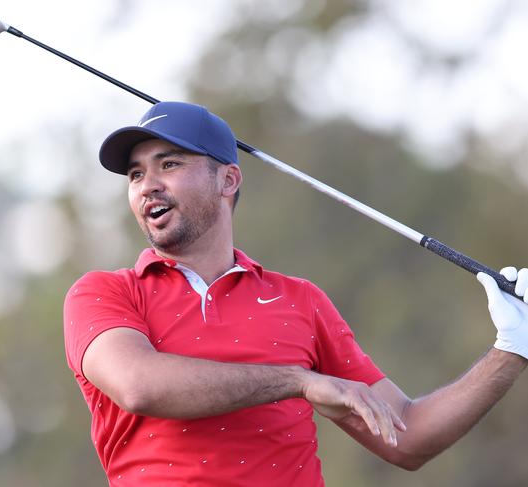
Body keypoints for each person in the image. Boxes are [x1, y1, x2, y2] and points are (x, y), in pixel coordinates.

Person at [63, 101, 528, 486]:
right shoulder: (103, 293)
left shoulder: (300, 301)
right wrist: (298, 381)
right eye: (136, 174)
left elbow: (405, 438)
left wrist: (510, 350)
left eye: (170, 164)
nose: (149, 186)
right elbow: (139, 386)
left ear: (228, 180)